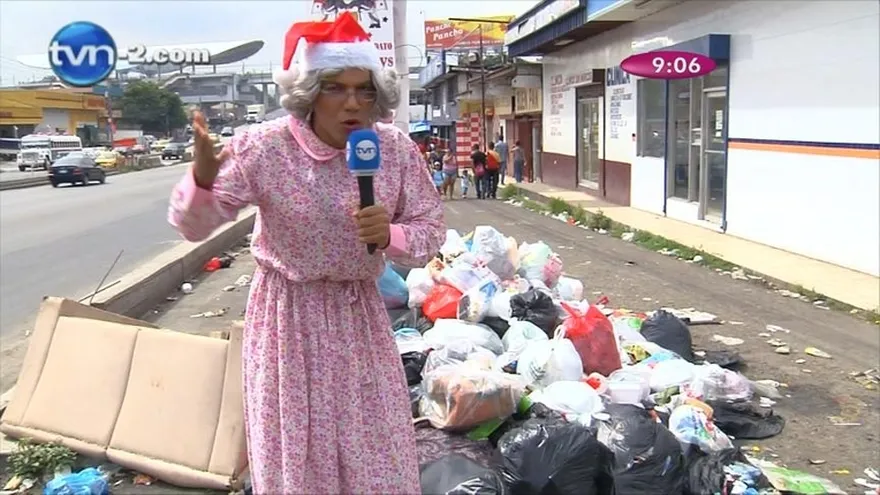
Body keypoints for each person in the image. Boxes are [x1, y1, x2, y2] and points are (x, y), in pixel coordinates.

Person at [167, 12, 444, 494]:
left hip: (360, 316)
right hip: (287, 321)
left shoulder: (394, 150)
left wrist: (391, 235)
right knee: (298, 449)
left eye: (364, 90)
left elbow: (431, 229)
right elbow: (195, 228)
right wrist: (203, 181)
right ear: (309, 92)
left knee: (374, 446)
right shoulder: (264, 147)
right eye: (336, 88)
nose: (353, 102)